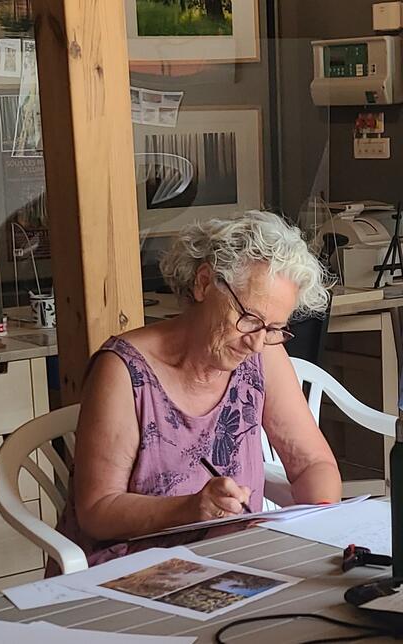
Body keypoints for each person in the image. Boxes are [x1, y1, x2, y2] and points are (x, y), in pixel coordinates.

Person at [55, 211, 342, 568]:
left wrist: (318, 523)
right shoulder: (123, 370)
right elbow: (97, 510)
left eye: (273, 329)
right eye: (249, 319)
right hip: (131, 569)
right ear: (204, 283)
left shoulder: (263, 355)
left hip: (234, 562)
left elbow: (313, 463)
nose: (256, 342)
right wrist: (191, 509)